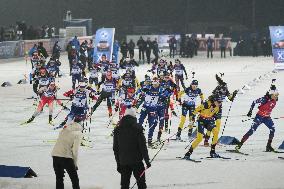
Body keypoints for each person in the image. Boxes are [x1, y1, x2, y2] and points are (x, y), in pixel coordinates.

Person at [113, 108, 151, 189]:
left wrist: (118, 164)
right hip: (137, 162)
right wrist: (147, 161)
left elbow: (115, 149)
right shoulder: (138, 128)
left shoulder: (117, 129)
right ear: (134, 116)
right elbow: (143, 147)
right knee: (141, 184)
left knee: (124, 185)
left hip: (123, 162)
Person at [235, 86, 279, 152]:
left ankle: (268, 146)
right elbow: (254, 102)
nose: (277, 96)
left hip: (267, 117)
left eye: (277, 95)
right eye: (275, 95)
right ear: (271, 94)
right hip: (259, 117)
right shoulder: (264, 99)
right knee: (252, 130)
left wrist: (273, 89)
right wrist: (250, 111)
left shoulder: (274, 100)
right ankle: (239, 145)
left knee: (272, 129)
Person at [52, 116, 83, 189]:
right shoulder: (78, 133)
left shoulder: (64, 129)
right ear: (81, 123)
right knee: (74, 179)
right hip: (66, 157)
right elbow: (75, 150)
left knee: (59, 179)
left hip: (55, 155)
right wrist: (75, 164)